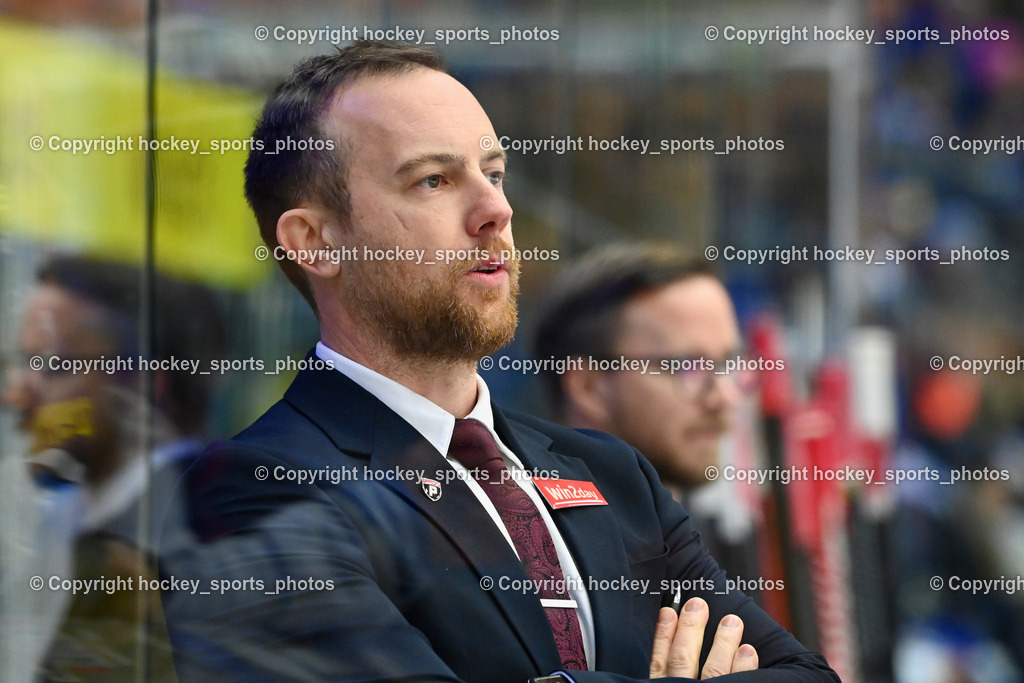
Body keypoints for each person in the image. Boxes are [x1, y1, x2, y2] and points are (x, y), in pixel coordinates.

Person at [159, 40, 837, 682]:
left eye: (494, 173)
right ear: (314, 241)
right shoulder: (252, 491)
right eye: (433, 180)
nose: (496, 210)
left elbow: (806, 674)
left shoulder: (614, 474)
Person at [1, 255, 224, 681]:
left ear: (147, 385)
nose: (14, 397)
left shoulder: (183, 546)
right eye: (20, 364)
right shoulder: (85, 521)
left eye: (54, 366)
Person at [532, 244, 761, 581]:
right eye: (688, 366)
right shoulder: (540, 567)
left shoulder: (704, 547)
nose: (725, 397)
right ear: (589, 387)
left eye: (728, 363)